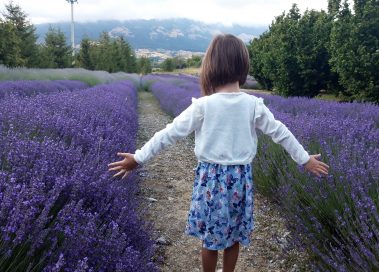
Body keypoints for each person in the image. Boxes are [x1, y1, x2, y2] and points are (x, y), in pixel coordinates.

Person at [108, 34, 329, 272]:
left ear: (210, 67)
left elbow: (169, 133)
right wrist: (304, 159)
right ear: (243, 66)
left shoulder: (203, 106)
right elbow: (281, 133)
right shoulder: (253, 105)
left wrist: (139, 157)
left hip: (210, 180)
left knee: (210, 239)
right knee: (233, 236)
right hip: (241, 180)